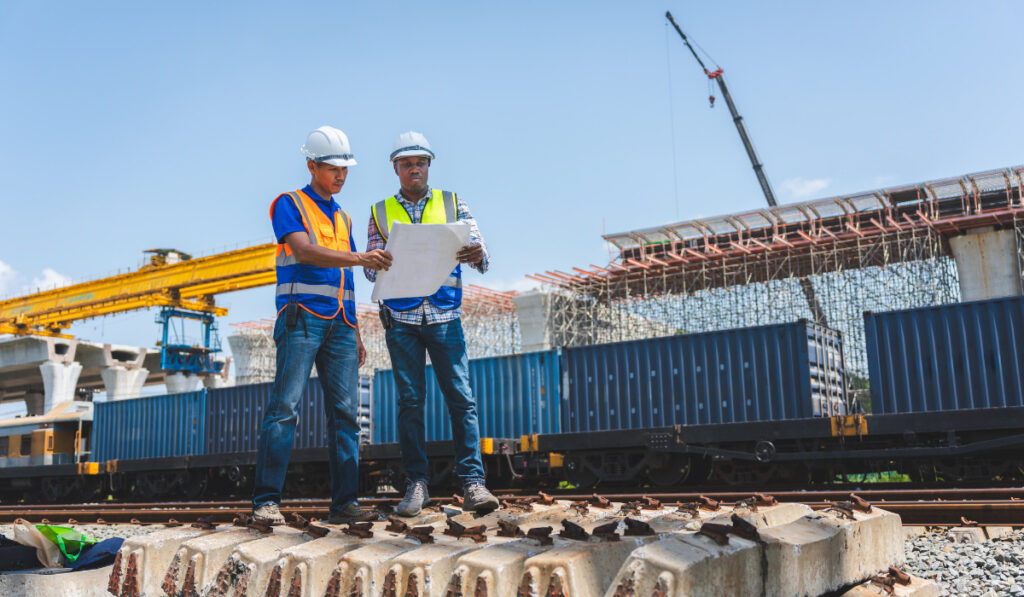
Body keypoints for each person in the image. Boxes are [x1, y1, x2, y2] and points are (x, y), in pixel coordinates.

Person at [252, 126, 392, 525]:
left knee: (347, 416)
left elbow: (344, 281)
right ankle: (266, 503)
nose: (341, 176)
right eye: (333, 168)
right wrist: (362, 258)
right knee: (284, 410)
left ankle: (345, 504)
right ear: (312, 165)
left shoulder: (343, 217)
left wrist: (357, 330)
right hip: (301, 319)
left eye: (345, 169)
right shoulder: (288, 203)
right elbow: (305, 252)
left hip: (341, 326)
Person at [365, 131, 499, 516]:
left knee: (462, 399)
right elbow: (371, 273)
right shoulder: (379, 211)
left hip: (444, 314)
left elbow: (483, 256)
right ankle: (416, 485)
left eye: (420, 162)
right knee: (410, 403)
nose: (414, 169)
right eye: (407, 164)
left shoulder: (453, 203)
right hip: (402, 318)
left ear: (429, 165)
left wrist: (475, 253)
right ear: (396, 169)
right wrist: (379, 261)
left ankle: (473, 483)